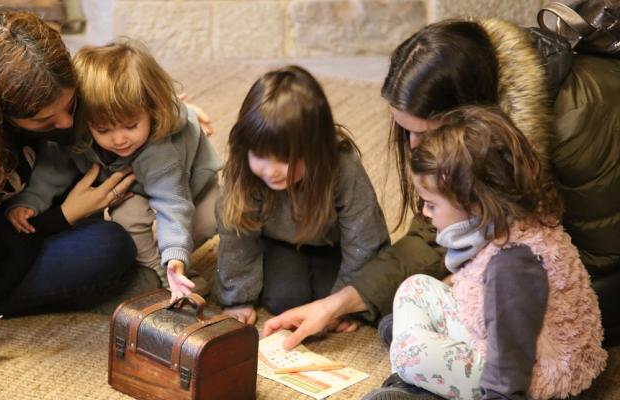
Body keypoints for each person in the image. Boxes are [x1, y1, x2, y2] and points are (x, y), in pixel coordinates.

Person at [264, 17, 620, 349]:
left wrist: (479, 284)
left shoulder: (577, 127)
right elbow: (440, 232)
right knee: (417, 311)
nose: (413, 146)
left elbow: (595, 261)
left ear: (467, 113)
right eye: (406, 132)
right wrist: (339, 303)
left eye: (422, 133)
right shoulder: (475, 116)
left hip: (602, 265)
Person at [0, 12, 159, 324]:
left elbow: (105, 95)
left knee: (88, 153)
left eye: (69, 105)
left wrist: (165, 116)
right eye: (44, 119)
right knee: (109, 247)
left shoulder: (1, 65)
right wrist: (61, 218)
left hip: (2, 214)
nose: (65, 122)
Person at [365, 106, 606, 400]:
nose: (425, 213)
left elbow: (509, 372)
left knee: (409, 352)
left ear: (473, 202)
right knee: (415, 287)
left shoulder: (512, 267)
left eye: (431, 204)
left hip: (534, 378)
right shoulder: (505, 218)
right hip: (507, 341)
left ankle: (416, 385)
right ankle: (418, 363)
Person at [6, 41, 222, 301]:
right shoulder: (77, 132)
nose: (119, 140)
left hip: (189, 179)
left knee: (204, 222)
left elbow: (172, 202)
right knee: (128, 221)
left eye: (130, 126)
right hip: (131, 186)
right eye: (104, 130)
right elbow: (53, 169)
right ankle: (160, 274)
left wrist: (176, 253)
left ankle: (172, 263)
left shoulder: (161, 150)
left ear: (152, 112)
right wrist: (31, 201)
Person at [215, 65, 388, 326]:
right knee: (285, 300)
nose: (272, 171)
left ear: (316, 150)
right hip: (278, 242)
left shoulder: (343, 168)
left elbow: (365, 240)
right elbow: (237, 238)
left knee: (333, 297)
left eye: (285, 159)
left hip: (334, 245)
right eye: (261, 156)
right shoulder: (243, 173)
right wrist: (238, 298)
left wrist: (344, 306)